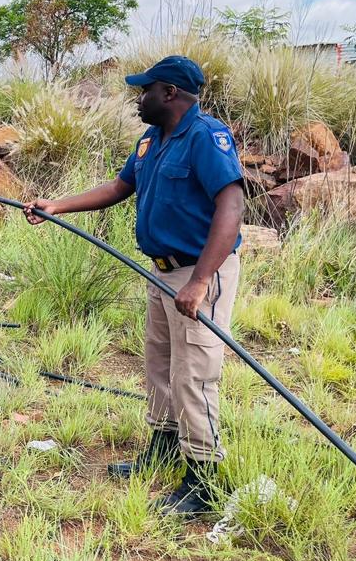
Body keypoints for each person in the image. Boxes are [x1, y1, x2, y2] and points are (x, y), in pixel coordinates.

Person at [25, 55, 244, 516]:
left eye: (144, 90)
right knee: (160, 363)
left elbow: (231, 208)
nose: (137, 98)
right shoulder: (151, 141)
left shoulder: (206, 138)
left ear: (170, 94)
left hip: (198, 273)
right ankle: (163, 446)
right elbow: (119, 187)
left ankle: (203, 482)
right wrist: (57, 206)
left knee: (195, 372)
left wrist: (201, 280)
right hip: (161, 272)